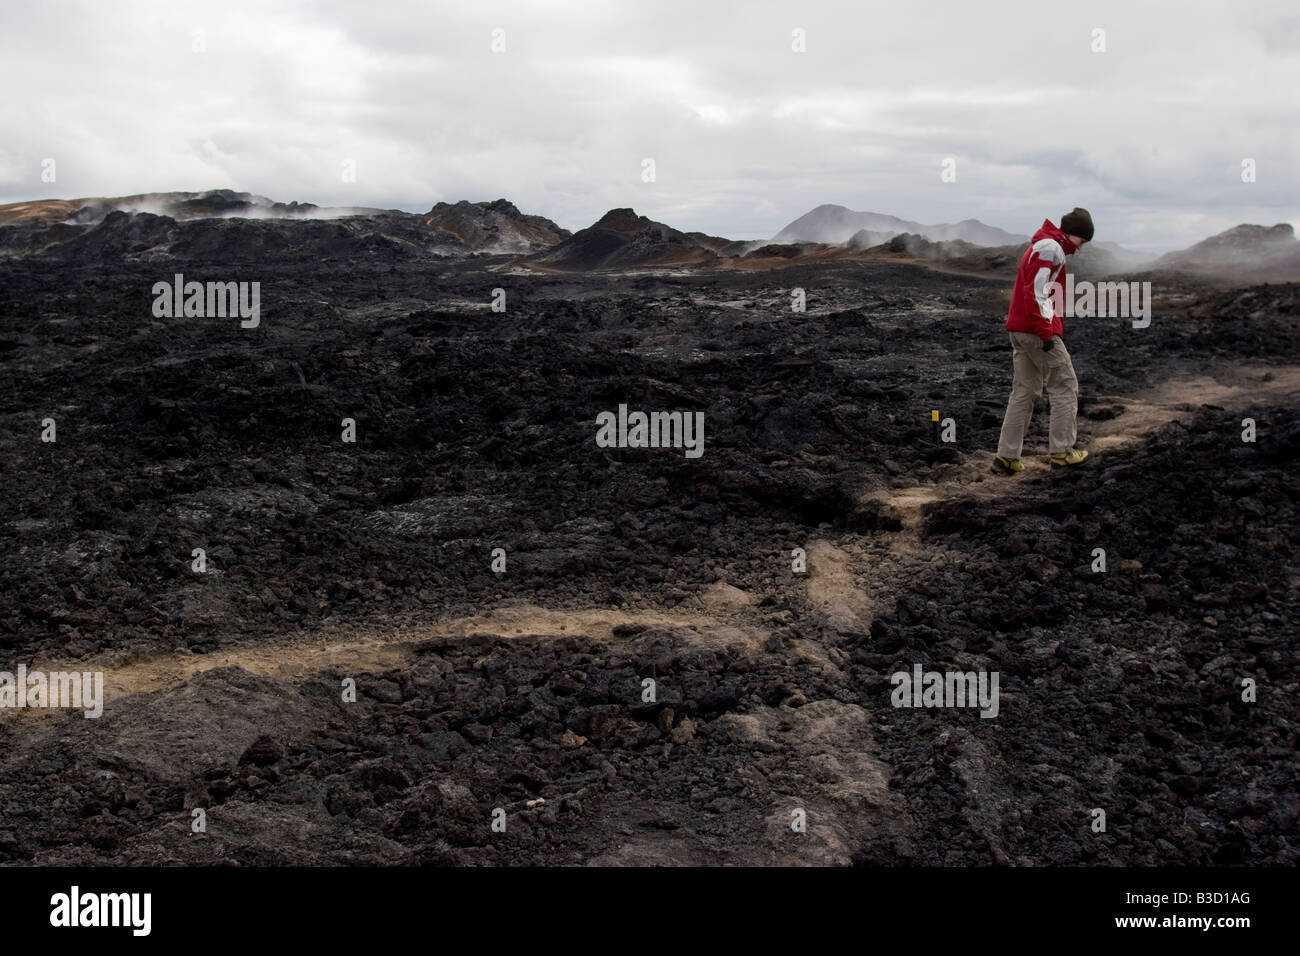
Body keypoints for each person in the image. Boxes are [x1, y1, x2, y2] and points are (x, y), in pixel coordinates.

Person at [993, 207, 1094, 473]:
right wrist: (1045, 330)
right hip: (1036, 330)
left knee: (1025, 391)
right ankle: (1062, 453)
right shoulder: (1051, 248)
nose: (1080, 248)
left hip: (1020, 328)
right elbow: (1037, 290)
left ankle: (1007, 457)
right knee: (1065, 385)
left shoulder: (1042, 245)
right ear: (1073, 234)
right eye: (1082, 241)